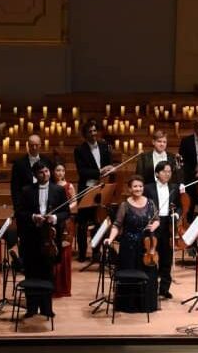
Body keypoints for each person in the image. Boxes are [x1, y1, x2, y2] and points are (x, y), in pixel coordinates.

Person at [16, 161, 69, 319]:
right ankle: (31, 308)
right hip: (31, 237)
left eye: (46, 171)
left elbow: (66, 213)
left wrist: (54, 217)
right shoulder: (26, 191)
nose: (44, 174)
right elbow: (20, 213)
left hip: (50, 237)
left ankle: (47, 308)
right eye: (41, 172)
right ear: (35, 174)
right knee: (31, 272)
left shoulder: (58, 190)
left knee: (48, 273)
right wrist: (33, 217)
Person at [104, 175, 159, 312]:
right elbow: (117, 225)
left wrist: (153, 227)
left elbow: (157, 219)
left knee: (148, 273)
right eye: (135, 186)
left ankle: (146, 304)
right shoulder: (124, 205)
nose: (138, 189)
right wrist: (110, 239)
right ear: (129, 189)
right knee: (129, 274)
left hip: (146, 246)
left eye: (140, 186)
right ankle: (128, 305)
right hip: (128, 246)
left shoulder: (151, 203)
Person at [73, 120, 113, 262]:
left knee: (98, 221)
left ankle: (96, 251)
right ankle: (83, 253)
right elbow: (82, 171)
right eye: (90, 131)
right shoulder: (79, 150)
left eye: (95, 130)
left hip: (102, 188)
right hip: (87, 189)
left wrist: (110, 169)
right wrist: (99, 172)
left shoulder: (104, 146)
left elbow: (109, 164)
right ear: (85, 134)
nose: (93, 134)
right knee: (83, 223)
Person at [144, 160, 178, 299]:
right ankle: (152, 287)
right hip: (154, 223)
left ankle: (164, 288)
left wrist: (177, 213)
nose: (167, 174)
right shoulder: (148, 188)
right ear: (157, 173)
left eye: (169, 171)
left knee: (166, 257)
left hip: (168, 224)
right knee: (152, 255)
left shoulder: (174, 187)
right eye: (164, 171)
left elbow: (180, 206)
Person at [52, 163, 77, 298]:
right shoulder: (51, 186)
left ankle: (64, 287)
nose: (60, 173)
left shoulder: (69, 186)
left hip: (67, 222)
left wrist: (65, 210)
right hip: (54, 221)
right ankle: (53, 285)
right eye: (57, 170)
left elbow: (74, 202)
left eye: (62, 170)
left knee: (65, 253)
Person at [10, 134, 52, 208]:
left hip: (45, 198)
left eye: (36, 145)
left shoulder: (47, 160)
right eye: (32, 145)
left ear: (40, 145)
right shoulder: (19, 163)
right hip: (26, 202)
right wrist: (17, 206)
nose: (34, 147)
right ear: (28, 145)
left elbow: (51, 181)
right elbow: (15, 187)